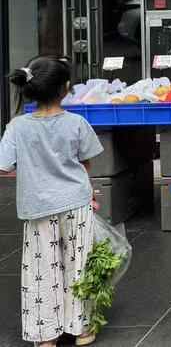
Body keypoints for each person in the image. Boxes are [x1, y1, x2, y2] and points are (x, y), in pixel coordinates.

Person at [0, 56, 103, 347]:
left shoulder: (17, 126)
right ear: (65, 88)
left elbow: (3, 166)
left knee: (41, 269)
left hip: (37, 208)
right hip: (76, 203)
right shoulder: (77, 123)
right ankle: (81, 329)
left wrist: (31, 169)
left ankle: (46, 337)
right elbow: (86, 163)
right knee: (79, 264)